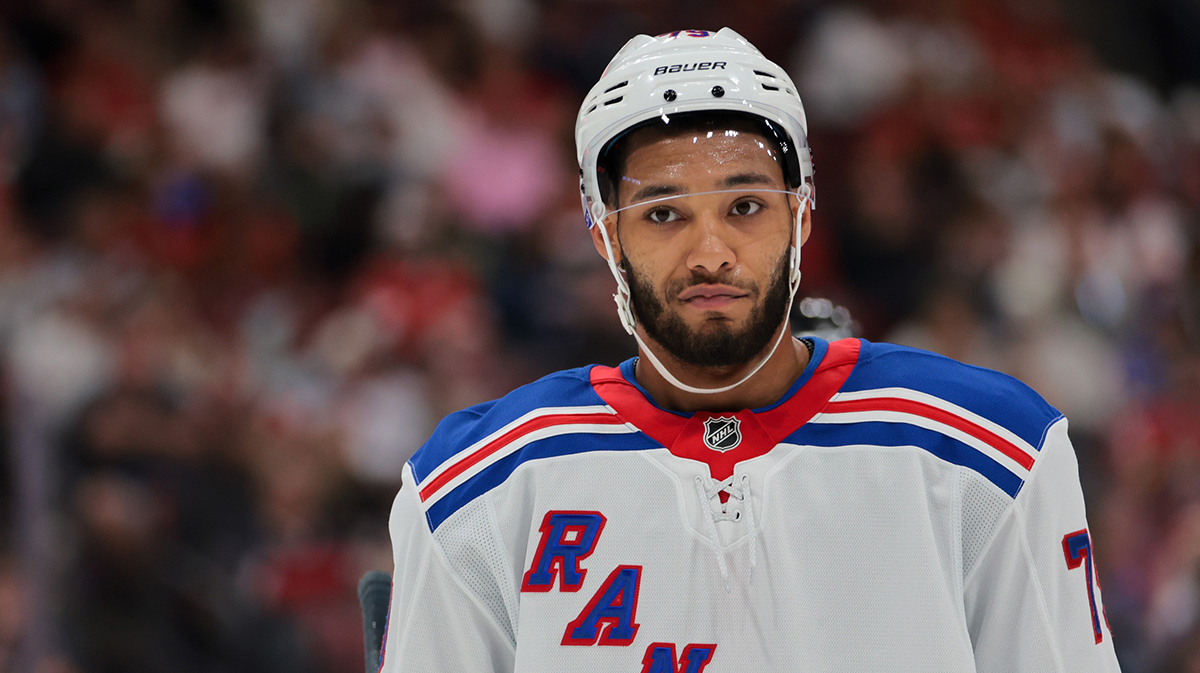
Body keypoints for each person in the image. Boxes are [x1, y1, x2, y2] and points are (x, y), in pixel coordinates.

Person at [379, 28, 1122, 672]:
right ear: (605, 235)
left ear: (801, 217)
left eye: (745, 207)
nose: (711, 252)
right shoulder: (470, 490)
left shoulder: (991, 453)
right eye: (663, 212)